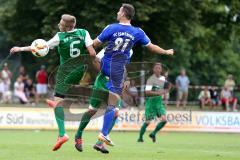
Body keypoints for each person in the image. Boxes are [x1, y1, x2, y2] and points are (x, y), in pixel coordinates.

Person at [88, 3, 173, 153]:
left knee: (114, 107)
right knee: (113, 104)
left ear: (123, 13)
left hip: (106, 65)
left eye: (119, 10)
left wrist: (88, 46)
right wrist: (166, 52)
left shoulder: (111, 28)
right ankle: (103, 135)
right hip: (117, 70)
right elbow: (152, 47)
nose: (117, 11)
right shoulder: (137, 32)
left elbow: (94, 44)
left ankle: (102, 140)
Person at [10, 14, 96, 151]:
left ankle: (62, 134)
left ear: (67, 27)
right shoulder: (83, 32)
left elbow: (39, 47)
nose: (59, 25)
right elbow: (92, 53)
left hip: (65, 71)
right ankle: (58, 106)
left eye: (61, 23)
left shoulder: (60, 36)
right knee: (60, 99)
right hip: (81, 70)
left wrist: (19, 49)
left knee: (58, 102)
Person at [137, 63, 169, 143]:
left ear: (161, 70)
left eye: (159, 68)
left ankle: (153, 133)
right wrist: (158, 93)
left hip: (159, 104)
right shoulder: (150, 80)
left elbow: (165, 89)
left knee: (164, 120)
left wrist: (165, 93)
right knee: (147, 122)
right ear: (153, 70)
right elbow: (147, 92)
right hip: (151, 104)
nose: (158, 69)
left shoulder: (163, 78)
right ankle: (140, 138)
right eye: (156, 68)